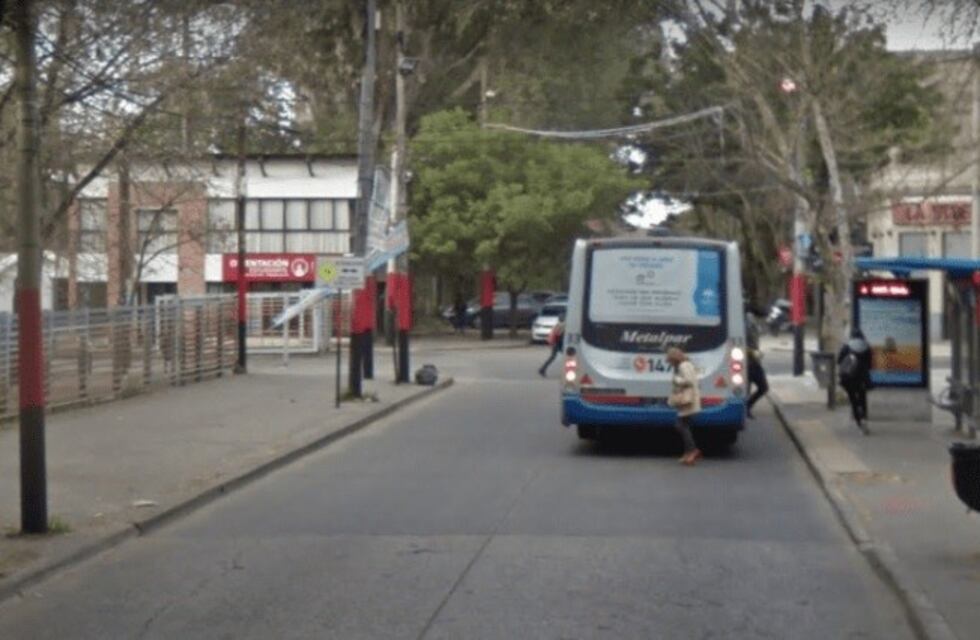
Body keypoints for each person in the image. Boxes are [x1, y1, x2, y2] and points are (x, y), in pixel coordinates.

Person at [667, 346, 703, 465]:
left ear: (674, 358)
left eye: (670, 360)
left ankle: (693, 450)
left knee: (680, 425)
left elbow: (689, 381)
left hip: (688, 400)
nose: (670, 363)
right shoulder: (685, 364)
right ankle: (688, 453)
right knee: (684, 425)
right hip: (687, 399)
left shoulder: (683, 366)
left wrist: (676, 380)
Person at [838, 328, 873, 435]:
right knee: (862, 398)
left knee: (853, 399)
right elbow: (870, 364)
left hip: (849, 378)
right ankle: (864, 419)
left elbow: (839, 360)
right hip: (862, 378)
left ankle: (859, 422)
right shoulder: (867, 347)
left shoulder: (847, 346)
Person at [745, 310, 769, 418]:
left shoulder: (750, 320)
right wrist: (752, 352)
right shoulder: (747, 322)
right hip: (748, 362)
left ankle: (747, 406)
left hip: (753, 362)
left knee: (762, 387)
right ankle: (746, 408)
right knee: (760, 387)